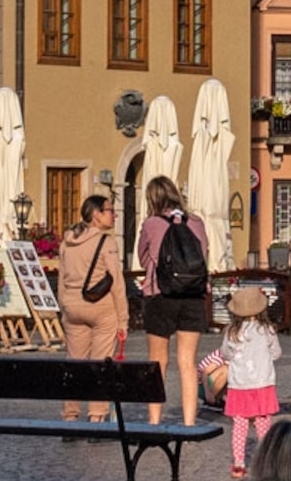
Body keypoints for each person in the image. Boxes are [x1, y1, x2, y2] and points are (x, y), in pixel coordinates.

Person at [134, 177, 215, 430]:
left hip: (161, 295)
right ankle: (190, 421)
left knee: (158, 361)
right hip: (193, 296)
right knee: (187, 362)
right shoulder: (197, 223)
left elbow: (143, 256)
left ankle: (155, 420)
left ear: (152, 199)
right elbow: (204, 253)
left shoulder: (151, 224)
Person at [54, 193, 128, 416]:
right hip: (101, 308)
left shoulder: (67, 241)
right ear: (96, 215)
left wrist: (63, 309)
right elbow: (117, 282)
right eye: (109, 210)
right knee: (100, 362)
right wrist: (123, 319)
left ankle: (70, 416)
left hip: (72, 306)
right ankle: (96, 415)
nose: (113, 214)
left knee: (75, 363)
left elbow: (61, 279)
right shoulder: (107, 243)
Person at [207, 284, 284, 477]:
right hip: (263, 384)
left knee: (239, 426)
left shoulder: (232, 332)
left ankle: (239, 464)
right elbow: (276, 353)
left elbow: (225, 354)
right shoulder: (267, 330)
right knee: (263, 425)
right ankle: (266, 463)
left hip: (239, 386)